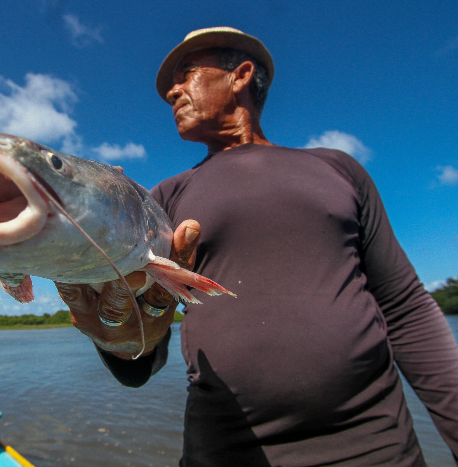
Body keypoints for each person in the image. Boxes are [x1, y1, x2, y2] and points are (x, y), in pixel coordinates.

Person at [55, 27, 458, 466]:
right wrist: (118, 337)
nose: (171, 91)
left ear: (241, 75)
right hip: (227, 450)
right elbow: (141, 354)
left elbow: (405, 308)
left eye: (186, 73)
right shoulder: (165, 199)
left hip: (378, 446)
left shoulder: (337, 168)